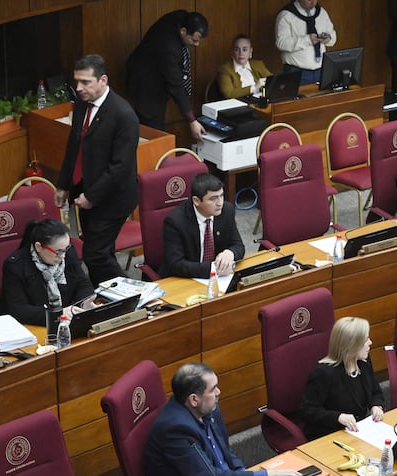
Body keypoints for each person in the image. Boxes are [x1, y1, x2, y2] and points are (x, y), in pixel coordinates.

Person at [143, 362, 300, 476]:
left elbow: (225, 452)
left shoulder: (208, 406)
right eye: (213, 389)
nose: (219, 392)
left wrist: (241, 472)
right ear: (193, 399)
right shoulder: (176, 430)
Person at [55, 54, 139, 287]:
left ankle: (135, 297)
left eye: (85, 82)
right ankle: (107, 302)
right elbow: (75, 144)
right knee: (100, 250)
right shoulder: (82, 103)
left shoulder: (124, 115)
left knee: (95, 255)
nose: (78, 88)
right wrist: (64, 184)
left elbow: (120, 167)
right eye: (76, 82)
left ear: (103, 80)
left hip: (113, 197)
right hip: (85, 188)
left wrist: (92, 196)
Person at [126, 10, 208, 141]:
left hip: (157, 72)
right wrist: (192, 120)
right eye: (194, 40)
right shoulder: (169, 49)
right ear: (183, 31)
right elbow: (176, 85)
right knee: (154, 132)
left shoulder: (182, 16)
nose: (197, 45)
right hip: (145, 84)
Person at [299, 317, 385, 440]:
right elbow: (307, 411)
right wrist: (338, 417)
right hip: (329, 434)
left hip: (357, 429)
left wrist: (376, 405)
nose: (370, 342)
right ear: (352, 345)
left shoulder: (363, 361)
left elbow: (375, 391)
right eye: (365, 340)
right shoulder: (323, 373)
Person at [0, 219, 94, 326]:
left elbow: (84, 285)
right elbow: (19, 310)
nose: (63, 256)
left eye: (66, 249)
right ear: (38, 247)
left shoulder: (67, 253)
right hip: (34, 325)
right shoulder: (16, 265)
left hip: (67, 321)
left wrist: (81, 304)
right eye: (58, 252)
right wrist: (58, 314)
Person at [160, 173, 245, 279]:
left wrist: (230, 253)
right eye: (213, 198)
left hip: (219, 279)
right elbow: (176, 264)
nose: (220, 203)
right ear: (196, 201)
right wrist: (213, 269)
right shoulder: (175, 221)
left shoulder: (226, 211)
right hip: (185, 279)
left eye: (221, 195)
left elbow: (238, 245)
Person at [275, 0, 337, 85]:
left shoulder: (321, 12)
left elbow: (332, 34)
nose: (313, 3)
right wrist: (307, 40)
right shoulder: (286, 15)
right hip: (296, 72)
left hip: (321, 71)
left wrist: (329, 38)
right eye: (309, 0)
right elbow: (281, 43)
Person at [218, 34, 273, 99]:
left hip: (259, 102)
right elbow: (228, 94)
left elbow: (273, 81)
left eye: (245, 49)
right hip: (238, 105)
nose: (241, 53)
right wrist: (254, 87)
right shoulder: (225, 70)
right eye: (237, 49)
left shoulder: (258, 64)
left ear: (250, 51)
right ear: (232, 52)